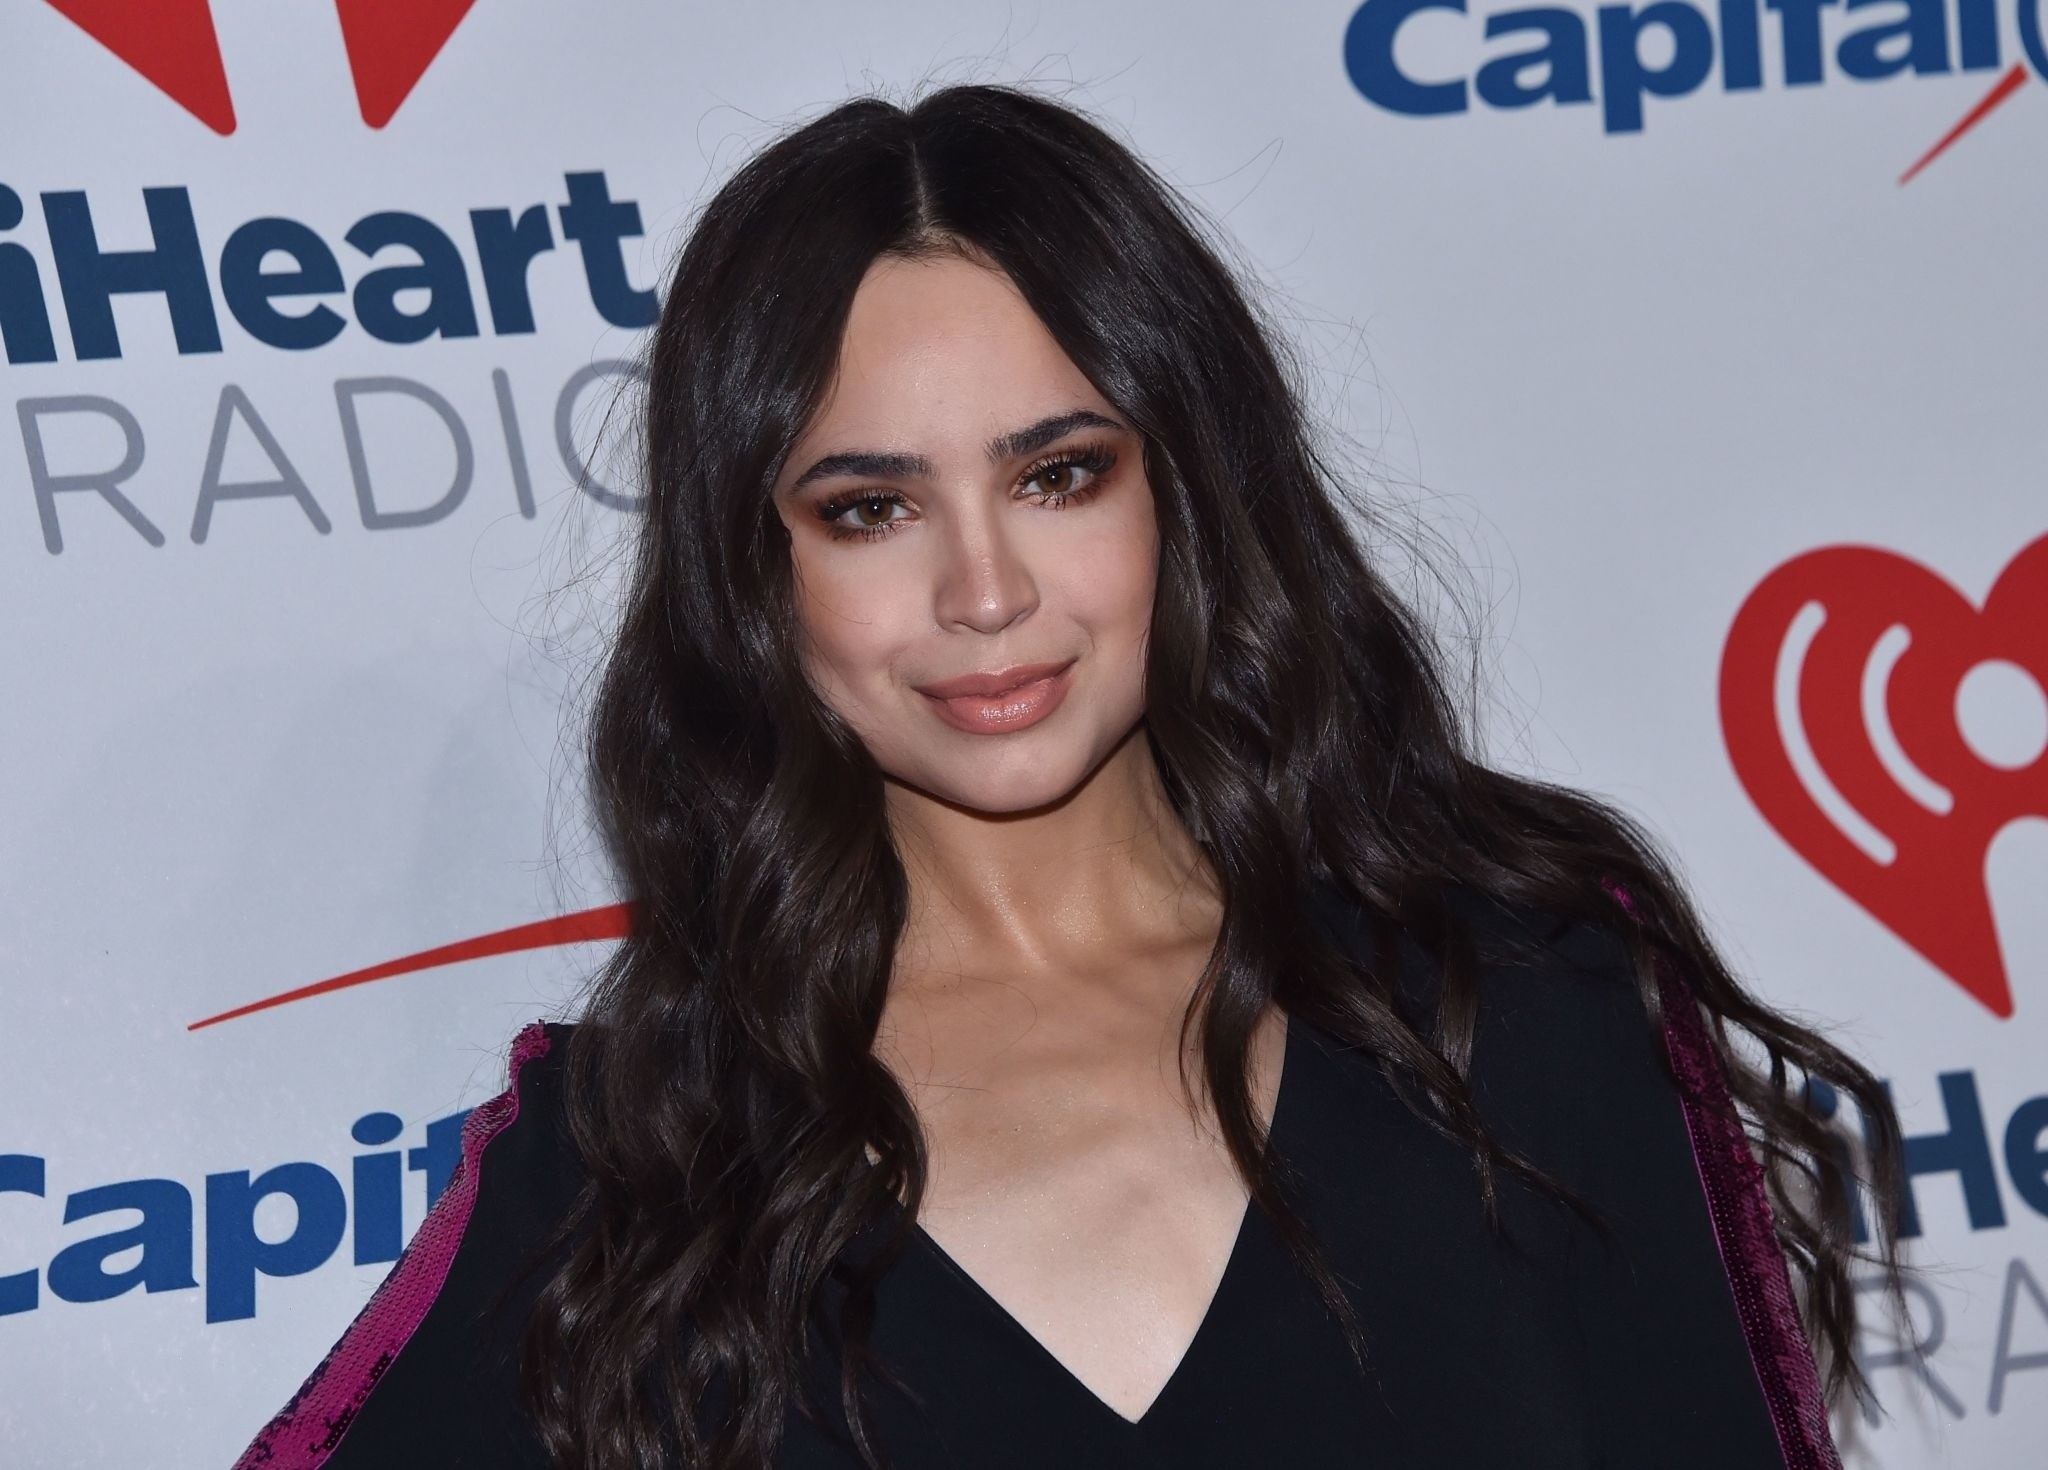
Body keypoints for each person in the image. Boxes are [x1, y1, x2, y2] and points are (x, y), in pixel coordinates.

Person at [231, 83, 1912, 1470]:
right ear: (756, 574)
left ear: (1184, 486)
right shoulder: (640, 1163)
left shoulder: (1521, 997)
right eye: (870, 508)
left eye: (1057, 474)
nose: (984, 592)